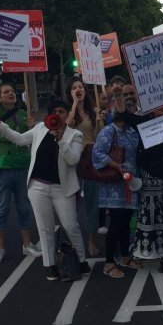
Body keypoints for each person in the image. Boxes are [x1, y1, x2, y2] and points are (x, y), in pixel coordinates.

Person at [0, 100, 90, 280]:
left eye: (62, 111)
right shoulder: (40, 129)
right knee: (45, 227)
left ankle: (81, 260)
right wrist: (1, 126)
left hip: (62, 188)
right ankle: (50, 264)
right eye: (55, 111)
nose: (58, 114)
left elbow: (73, 159)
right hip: (38, 186)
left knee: (71, 225)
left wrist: (61, 140)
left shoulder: (75, 135)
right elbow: (20, 139)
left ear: (68, 114)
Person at [112, 88, 163, 279]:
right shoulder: (144, 122)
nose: (160, 107)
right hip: (154, 178)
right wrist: (118, 97)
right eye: (156, 104)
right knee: (159, 220)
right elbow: (124, 115)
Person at [0, 62, 41, 264]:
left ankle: (27, 244)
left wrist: (32, 127)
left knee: (23, 207)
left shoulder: (24, 114)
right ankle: (0, 248)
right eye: (6, 92)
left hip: (23, 165)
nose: (11, 93)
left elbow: (27, 139)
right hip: (3, 166)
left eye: (12, 91)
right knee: (1, 208)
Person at [92, 91, 142, 279]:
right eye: (129, 111)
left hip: (130, 184)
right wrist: (117, 166)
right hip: (114, 186)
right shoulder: (109, 130)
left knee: (125, 222)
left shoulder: (131, 131)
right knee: (116, 223)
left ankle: (125, 256)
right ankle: (109, 263)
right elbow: (97, 153)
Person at [65, 76, 104, 257]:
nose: (78, 90)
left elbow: (98, 137)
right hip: (72, 160)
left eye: (80, 87)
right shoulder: (67, 112)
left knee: (92, 202)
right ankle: (73, 241)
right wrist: (74, 104)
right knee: (70, 204)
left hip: (90, 159)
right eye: (74, 88)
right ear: (70, 92)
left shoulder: (94, 111)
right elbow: (66, 127)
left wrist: (99, 121)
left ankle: (91, 241)